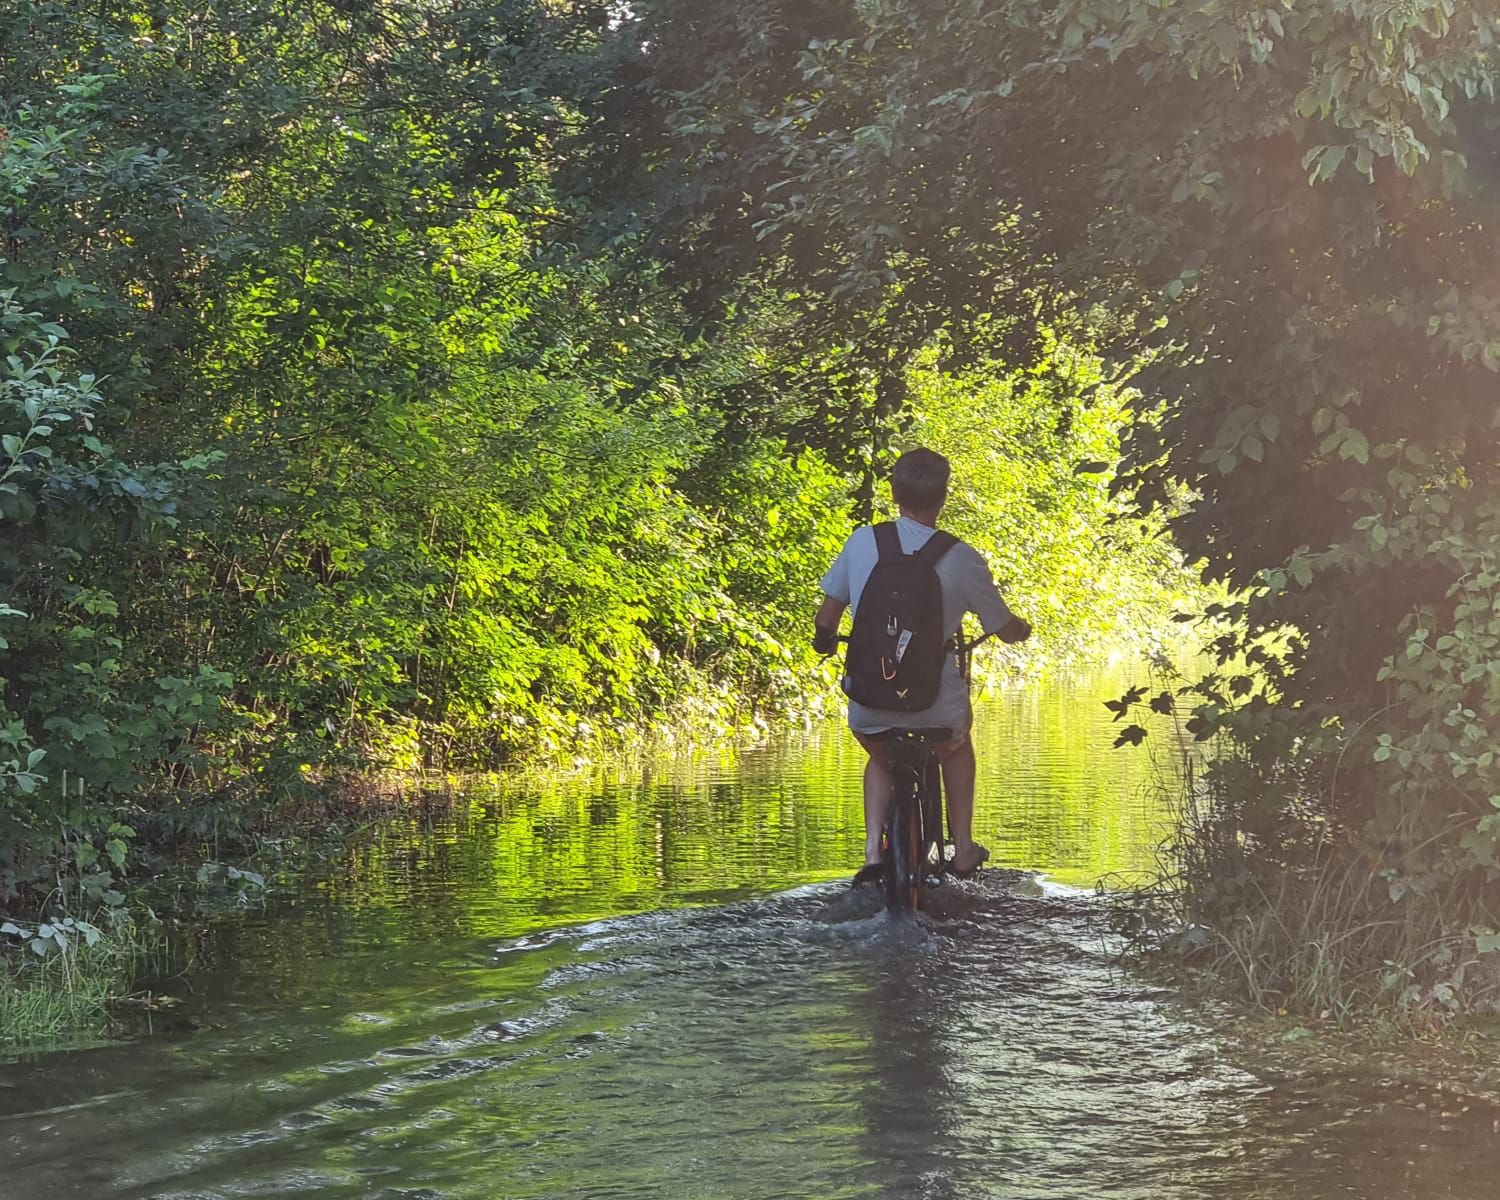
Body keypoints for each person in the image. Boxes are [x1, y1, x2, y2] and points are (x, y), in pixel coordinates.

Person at [812, 447, 1030, 878]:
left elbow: (826, 619)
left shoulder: (862, 542)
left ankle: (873, 855)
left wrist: (826, 643)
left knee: (880, 757)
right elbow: (1004, 629)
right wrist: (1020, 629)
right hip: (936, 705)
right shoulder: (961, 557)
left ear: (894, 493)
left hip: (870, 699)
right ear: (943, 497)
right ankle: (963, 849)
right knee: (957, 746)